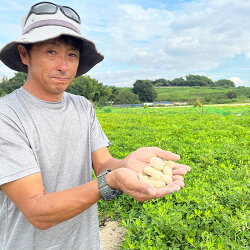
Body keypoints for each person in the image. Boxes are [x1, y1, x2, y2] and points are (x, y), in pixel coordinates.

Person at [0, 2, 190, 250]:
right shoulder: (7, 115)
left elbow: (103, 165)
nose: (64, 66)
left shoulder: (82, 106)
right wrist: (111, 182)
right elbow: (37, 211)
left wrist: (129, 164)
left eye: (72, 55)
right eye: (51, 52)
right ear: (25, 55)